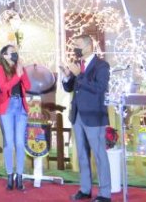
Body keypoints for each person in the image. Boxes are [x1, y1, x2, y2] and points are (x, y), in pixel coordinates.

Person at [61, 35, 111, 202]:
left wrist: (79, 76)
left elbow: (100, 88)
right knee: (82, 154)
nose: (76, 48)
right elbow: (69, 88)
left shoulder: (101, 65)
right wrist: (67, 76)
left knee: (99, 154)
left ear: (89, 46)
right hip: (77, 115)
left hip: (94, 116)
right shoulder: (78, 65)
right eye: (74, 44)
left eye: (78, 45)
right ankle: (85, 189)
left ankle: (105, 193)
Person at [0, 44, 31, 190]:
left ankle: (19, 176)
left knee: (20, 143)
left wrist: (22, 71)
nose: (15, 54)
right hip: (7, 107)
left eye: (16, 52)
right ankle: (9, 175)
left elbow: (28, 85)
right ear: (4, 55)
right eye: (11, 52)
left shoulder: (19, 68)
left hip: (20, 106)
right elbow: (4, 87)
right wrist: (17, 76)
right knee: (9, 142)